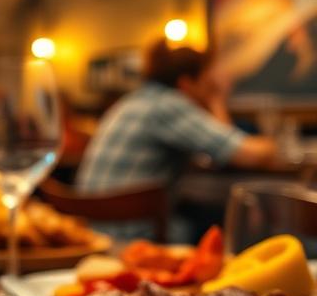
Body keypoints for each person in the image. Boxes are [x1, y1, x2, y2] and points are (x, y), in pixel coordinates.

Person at [77, 41, 277, 197]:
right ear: (186, 84)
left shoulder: (136, 99)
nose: (211, 87)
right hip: (131, 231)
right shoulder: (168, 105)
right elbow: (251, 154)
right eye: (207, 82)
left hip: (96, 223)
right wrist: (216, 100)